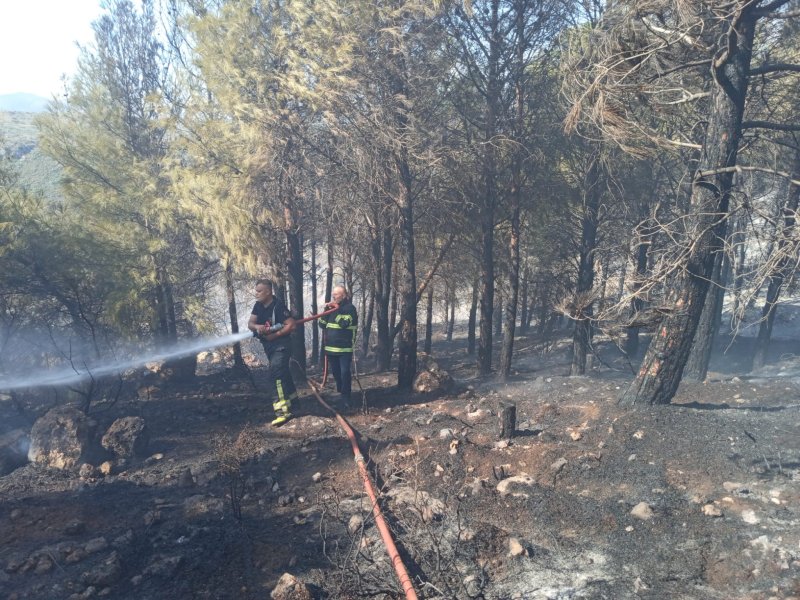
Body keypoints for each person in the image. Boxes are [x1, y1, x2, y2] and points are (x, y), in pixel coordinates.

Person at [248, 279, 297, 426]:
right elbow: (250, 324)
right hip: (269, 347)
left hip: (281, 346)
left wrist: (273, 335)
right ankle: (294, 402)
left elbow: (291, 325)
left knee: (276, 375)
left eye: (259, 291)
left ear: (268, 292)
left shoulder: (278, 306)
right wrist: (258, 327)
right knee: (283, 373)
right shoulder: (258, 306)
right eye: (256, 291)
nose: (256, 294)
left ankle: (283, 412)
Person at [319, 285, 358, 406]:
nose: (333, 296)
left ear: (344, 295)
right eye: (333, 294)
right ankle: (341, 391)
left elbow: (344, 323)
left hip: (344, 348)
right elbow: (322, 324)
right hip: (331, 348)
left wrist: (336, 309)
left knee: (345, 372)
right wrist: (326, 311)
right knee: (336, 373)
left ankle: (346, 396)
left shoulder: (350, 308)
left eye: (336, 294)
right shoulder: (331, 309)